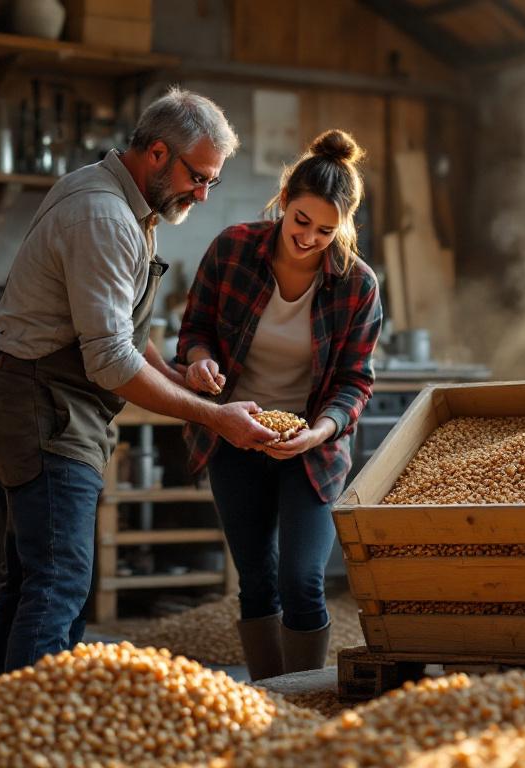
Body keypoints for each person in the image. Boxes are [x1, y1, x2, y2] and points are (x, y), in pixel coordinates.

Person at [0, 87, 280, 687]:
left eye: (213, 182)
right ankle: (26, 732)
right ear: (158, 153)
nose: (203, 193)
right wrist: (214, 418)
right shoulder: (105, 216)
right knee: (60, 581)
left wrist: (178, 374)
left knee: (32, 580)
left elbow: (112, 327)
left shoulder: (122, 199)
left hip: (39, 401)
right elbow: (111, 361)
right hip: (44, 410)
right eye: (199, 177)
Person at [176, 129, 383, 680]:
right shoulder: (233, 249)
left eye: (325, 230)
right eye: (300, 222)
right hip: (234, 430)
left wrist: (319, 432)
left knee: (302, 578)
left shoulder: (357, 285)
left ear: (343, 228)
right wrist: (198, 361)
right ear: (284, 199)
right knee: (257, 578)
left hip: (310, 448)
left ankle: (306, 696)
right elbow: (195, 329)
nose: (309, 238)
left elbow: (354, 381)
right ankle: (269, 698)